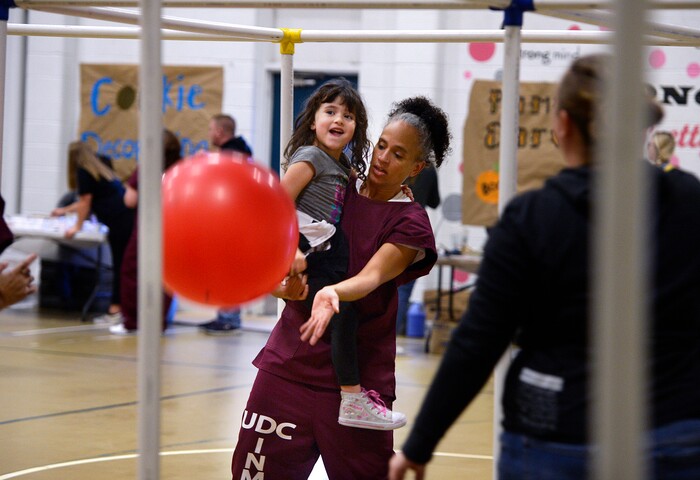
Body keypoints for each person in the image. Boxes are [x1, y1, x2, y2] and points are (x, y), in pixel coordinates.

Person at [389, 54, 700, 480]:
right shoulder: (688, 201)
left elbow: (479, 340)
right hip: (672, 430)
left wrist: (420, 443)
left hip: (557, 436)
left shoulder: (532, 216)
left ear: (563, 126)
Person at [231, 96, 451, 479]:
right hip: (289, 367)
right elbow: (277, 241)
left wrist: (334, 293)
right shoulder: (333, 187)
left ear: (416, 168)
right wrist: (279, 288)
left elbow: (372, 276)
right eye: (381, 145)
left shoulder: (412, 221)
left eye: (398, 155)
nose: (382, 159)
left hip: (357, 386)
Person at [281, 78, 399, 429]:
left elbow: (359, 190)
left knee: (346, 314)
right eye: (330, 111)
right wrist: (290, 252)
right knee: (343, 314)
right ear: (314, 120)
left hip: (329, 252)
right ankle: (351, 398)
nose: (338, 120)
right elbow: (276, 205)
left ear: (355, 128)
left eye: (348, 116)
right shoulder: (311, 157)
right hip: (308, 251)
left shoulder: (340, 164)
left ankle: (351, 397)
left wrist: (395, 188)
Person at [51, 142, 134, 323]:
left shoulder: (83, 171)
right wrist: (64, 211)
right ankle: (120, 308)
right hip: (125, 218)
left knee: (120, 264)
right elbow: (87, 201)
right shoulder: (100, 168)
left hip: (119, 221)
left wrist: (76, 227)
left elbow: (85, 203)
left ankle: (115, 310)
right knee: (122, 264)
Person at [110, 130, 182, 335]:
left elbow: (129, 200)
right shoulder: (182, 167)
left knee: (132, 272)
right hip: (175, 229)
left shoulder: (146, 168)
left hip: (148, 228)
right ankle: (157, 324)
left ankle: (132, 322)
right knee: (166, 276)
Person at [199, 113, 254, 335]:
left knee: (228, 269)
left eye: (212, 129)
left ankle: (229, 317)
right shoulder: (236, 153)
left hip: (233, 223)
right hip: (234, 221)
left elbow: (227, 188)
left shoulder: (232, 155)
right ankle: (226, 315)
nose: (210, 133)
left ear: (220, 132)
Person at [395, 164, 440, 336]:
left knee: (388, 288)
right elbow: (435, 202)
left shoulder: (399, 161)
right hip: (414, 231)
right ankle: (393, 338)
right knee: (404, 290)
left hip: (392, 228)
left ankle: (385, 338)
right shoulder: (428, 168)